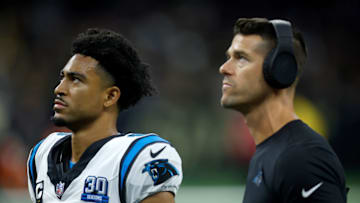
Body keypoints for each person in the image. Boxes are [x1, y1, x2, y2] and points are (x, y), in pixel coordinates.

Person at [27, 28, 182, 203]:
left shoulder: (140, 157)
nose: (59, 89)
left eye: (75, 79)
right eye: (62, 78)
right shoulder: (42, 154)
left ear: (110, 96)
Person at [219, 18, 348, 202]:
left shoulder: (302, 158)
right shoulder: (269, 154)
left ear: (280, 70)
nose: (224, 68)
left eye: (241, 58)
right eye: (228, 57)